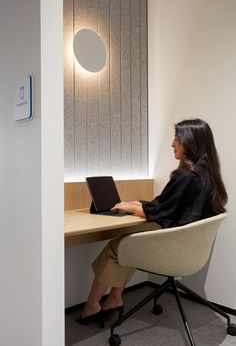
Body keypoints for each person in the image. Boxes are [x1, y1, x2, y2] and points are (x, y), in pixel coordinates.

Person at [77, 118, 227, 326]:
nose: (172, 144)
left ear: (190, 142)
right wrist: (138, 204)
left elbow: (160, 211)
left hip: (173, 251)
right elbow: (171, 206)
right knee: (128, 243)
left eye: (176, 138)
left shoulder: (186, 176)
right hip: (191, 252)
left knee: (118, 247)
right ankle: (114, 299)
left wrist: (133, 207)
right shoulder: (208, 175)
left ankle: (92, 305)